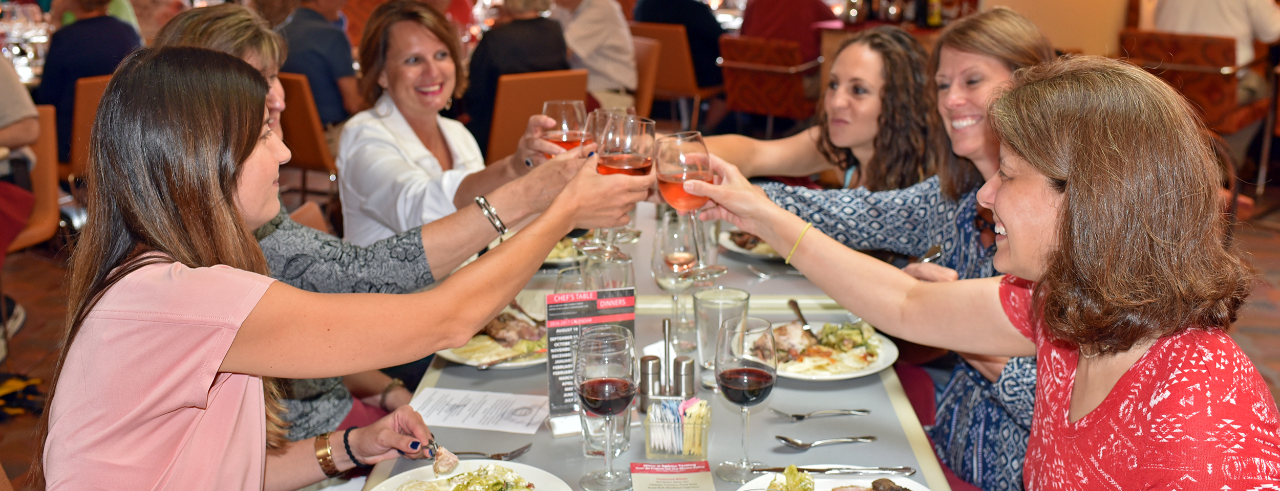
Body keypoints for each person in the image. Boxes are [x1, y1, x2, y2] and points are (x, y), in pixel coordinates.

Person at [36, 46, 651, 490]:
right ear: (204, 160)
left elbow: (226, 470)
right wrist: (562, 208)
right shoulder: (183, 297)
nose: (284, 150)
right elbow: (445, 321)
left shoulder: (167, 279)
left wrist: (356, 445)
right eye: (263, 137)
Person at [691, 54, 1280, 489]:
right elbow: (905, 305)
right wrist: (760, 214)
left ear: (1092, 199)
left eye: (1011, 174)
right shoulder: (1061, 303)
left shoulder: (1202, 410)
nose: (985, 195)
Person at [155, 3, 590, 441]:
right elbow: (373, 271)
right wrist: (546, 202)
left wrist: (386, 392)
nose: (279, 98)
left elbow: (321, 330)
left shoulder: (243, 209)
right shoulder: (215, 244)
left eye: (273, 78)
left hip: (364, 389)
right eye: (255, 82)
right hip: (355, 394)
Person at [715, 9, 1056, 489]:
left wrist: (957, 324)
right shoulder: (952, 199)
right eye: (941, 85)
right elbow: (851, 214)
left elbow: (1064, 406)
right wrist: (743, 197)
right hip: (943, 449)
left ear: (1030, 90)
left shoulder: (1063, 223)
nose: (952, 99)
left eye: (972, 80)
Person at [341, 0, 570, 246]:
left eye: (441, 55)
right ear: (382, 73)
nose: (433, 72)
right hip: (390, 285)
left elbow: (489, 224)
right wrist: (512, 170)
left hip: (463, 280)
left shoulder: (457, 134)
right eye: (413, 60)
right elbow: (419, 215)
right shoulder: (363, 137)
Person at [706, 25, 947, 193]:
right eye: (833, 84)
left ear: (900, 102)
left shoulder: (929, 176)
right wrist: (673, 150)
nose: (835, 102)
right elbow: (753, 154)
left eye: (859, 90)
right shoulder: (839, 150)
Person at [1154, 0, 1280, 166]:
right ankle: (1224, 168)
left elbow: (1156, 24)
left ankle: (1190, 163)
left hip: (1169, 89)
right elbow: (1272, 32)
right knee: (1262, 88)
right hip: (1219, 93)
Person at [36, 0, 142, 163]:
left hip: (74, 145)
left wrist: (56, 19)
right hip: (123, 139)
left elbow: (46, 99)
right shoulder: (128, 31)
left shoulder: (65, 38)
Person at [462, 0, 569, 158]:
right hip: (547, 129)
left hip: (495, 134)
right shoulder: (554, 30)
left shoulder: (495, 38)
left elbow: (475, 93)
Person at [633, 0, 727, 130]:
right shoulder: (694, 9)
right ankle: (705, 130)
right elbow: (723, 41)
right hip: (693, 77)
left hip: (651, 76)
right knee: (731, 79)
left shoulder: (643, 5)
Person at [278, 0, 365, 128]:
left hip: (296, 136)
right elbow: (354, 105)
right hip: (334, 135)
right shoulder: (333, 36)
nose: (344, 2)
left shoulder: (277, 34)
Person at [548, 0, 636, 109]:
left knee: (543, 104)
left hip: (607, 93)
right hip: (579, 89)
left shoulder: (600, 6)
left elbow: (559, 53)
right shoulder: (561, 7)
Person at [739, 0, 835, 63]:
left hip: (752, 80)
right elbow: (836, 29)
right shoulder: (811, 3)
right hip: (796, 78)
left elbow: (742, 37)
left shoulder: (754, 2)